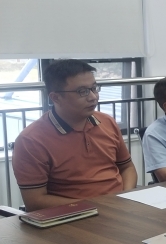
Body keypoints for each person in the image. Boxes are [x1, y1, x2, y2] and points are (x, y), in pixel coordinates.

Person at [11, 59, 138, 210]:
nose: (93, 97)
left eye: (94, 88)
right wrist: (97, 206)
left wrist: (125, 196)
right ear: (56, 97)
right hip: (73, 215)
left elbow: (127, 167)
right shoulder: (31, 140)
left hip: (119, 208)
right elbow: (35, 201)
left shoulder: (107, 122)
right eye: (82, 91)